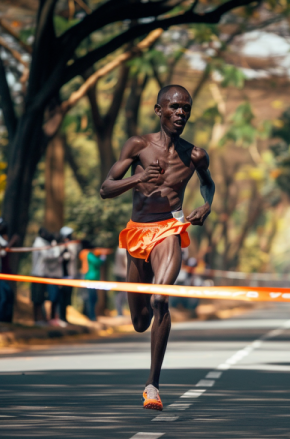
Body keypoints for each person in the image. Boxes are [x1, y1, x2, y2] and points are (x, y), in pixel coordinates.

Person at [100, 85, 215, 410]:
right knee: (139, 321)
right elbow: (106, 189)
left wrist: (206, 206)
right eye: (175, 107)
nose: (181, 114)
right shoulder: (138, 145)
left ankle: (153, 385)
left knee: (160, 298)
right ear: (158, 109)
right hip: (138, 233)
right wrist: (136, 180)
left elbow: (208, 183)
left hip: (170, 229)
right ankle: (148, 341)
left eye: (186, 109)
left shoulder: (195, 155)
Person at [58, 226, 81, 322]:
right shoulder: (59, 245)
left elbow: (73, 256)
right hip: (60, 276)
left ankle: (65, 318)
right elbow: (58, 258)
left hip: (70, 275)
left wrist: (68, 248)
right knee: (61, 298)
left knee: (67, 298)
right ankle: (60, 317)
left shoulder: (73, 245)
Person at [84, 248, 106, 321]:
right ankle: (91, 316)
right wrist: (102, 257)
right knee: (91, 299)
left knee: (94, 298)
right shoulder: (89, 255)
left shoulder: (93, 255)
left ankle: (93, 315)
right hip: (90, 279)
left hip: (95, 279)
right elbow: (97, 263)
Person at [113, 247, 128, 316]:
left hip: (118, 272)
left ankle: (120, 312)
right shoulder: (123, 249)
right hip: (123, 274)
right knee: (122, 294)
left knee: (120, 294)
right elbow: (124, 262)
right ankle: (120, 312)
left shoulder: (119, 248)